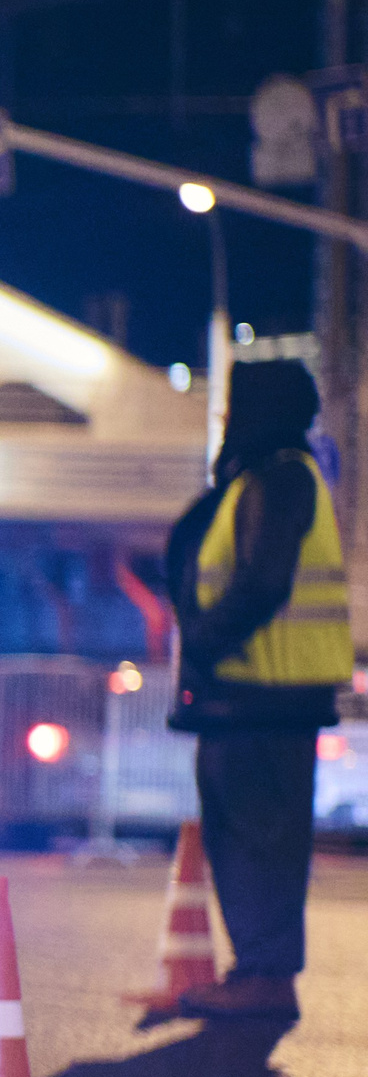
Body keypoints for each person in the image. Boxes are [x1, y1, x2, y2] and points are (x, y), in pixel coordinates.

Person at [162, 359, 350, 1021]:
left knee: (257, 839)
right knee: (249, 837)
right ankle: (260, 971)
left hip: (260, 695)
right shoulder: (270, 477)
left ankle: (264, 976)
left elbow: (262, 582)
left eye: (234, 408)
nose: (225, 422)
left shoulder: (278, 478)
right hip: (256, 696)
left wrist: (207, 641)